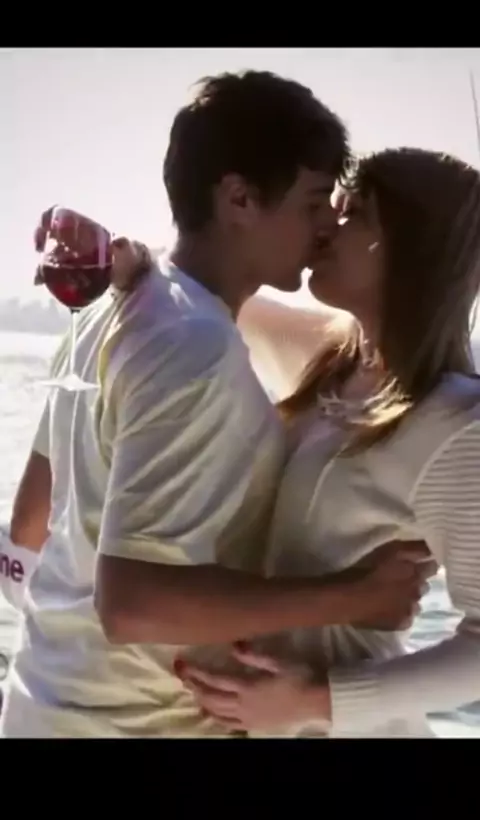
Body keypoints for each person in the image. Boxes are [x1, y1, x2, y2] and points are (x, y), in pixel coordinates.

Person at [0, 72, 430, 738]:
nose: (327, 223)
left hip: (41, 704)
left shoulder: (119, 304)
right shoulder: (193, 345)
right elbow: (130, 607)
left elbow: (31, 519)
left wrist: (63, 654)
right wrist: (353, 597)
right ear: (239, 198)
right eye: (314, 200)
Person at [175, 146, 480, 738]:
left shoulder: (456, 422)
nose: (327, 225)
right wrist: (132, 260)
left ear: (410, 247)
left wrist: (318, 701)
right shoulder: (332, 362)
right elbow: (204, 283)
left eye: (355, 212)